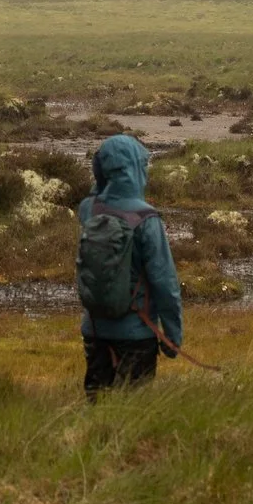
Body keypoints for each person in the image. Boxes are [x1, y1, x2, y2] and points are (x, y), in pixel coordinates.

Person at [76, 133, 185, 398]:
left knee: (96, 403)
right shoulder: (147, 219)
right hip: (137, 332)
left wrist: (101, 182)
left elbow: (95, 195)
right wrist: (172, 336)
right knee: (133, 411)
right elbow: (165, 282)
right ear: (136, 169)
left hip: (94, 329)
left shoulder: (89, 209)